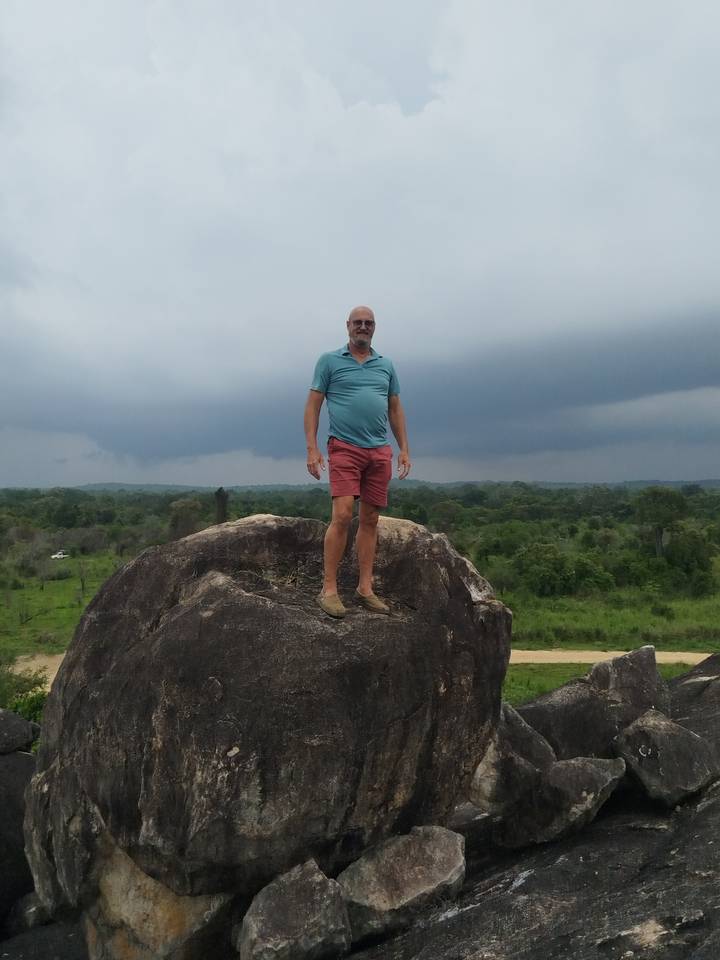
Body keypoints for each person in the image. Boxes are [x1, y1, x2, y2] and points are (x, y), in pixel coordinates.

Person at [304, 305, 411, 618]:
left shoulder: (386, 365)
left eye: (369, 323)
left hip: (379, 450)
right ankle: (329, 589)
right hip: (344, 447)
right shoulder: (329, 361)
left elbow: (395, 409)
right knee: (342, 514)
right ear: (347, 326)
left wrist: (404, 448)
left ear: (374, 328)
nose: (363, 327)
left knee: (371, 519)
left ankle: (365, 588)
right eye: (358, 323)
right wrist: (312, 449)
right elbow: (313, 406)